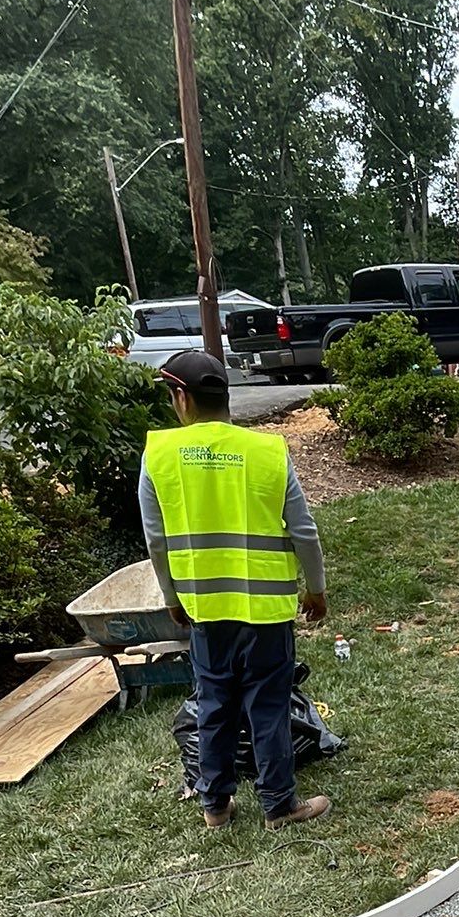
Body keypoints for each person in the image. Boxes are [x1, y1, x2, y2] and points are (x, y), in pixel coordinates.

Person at [140, 348, 332, 830]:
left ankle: (216, 808)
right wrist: (317, 589)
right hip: (265, 608)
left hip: (204, 606)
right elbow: (303, 531)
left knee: (214, 702)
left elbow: (156, 539)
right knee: (267, 705)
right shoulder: (267, 451)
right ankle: (279, 806)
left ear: (181, 398)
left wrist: (171, 597)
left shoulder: (160, 455)